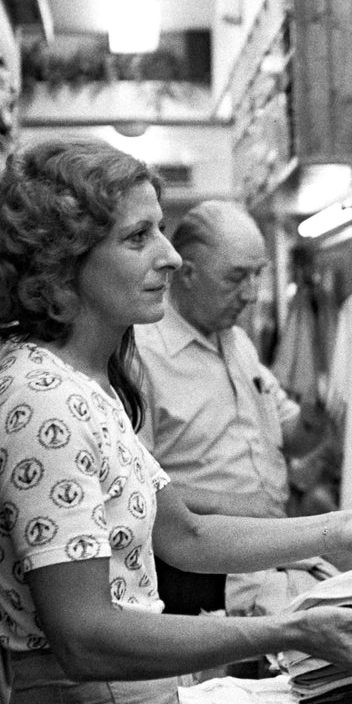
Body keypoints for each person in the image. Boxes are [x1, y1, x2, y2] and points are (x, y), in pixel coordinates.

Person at [0, 138, 352, 704]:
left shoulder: (87, 385)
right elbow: (85, 635)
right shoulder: (44, 406)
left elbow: (185, 534)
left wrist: (342, 529)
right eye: (139, 236)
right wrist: (288, 630)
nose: (169, 255)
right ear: (59, 265)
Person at [135, 200, 326, 617]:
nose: (253, 294)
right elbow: (132, 489)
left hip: (267, 549)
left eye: (258, 274)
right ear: (187, 274)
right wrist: (231, 503)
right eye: (236, 277)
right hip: (199, 572)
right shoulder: (142, 356)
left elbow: (292, 434)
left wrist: (322, 407)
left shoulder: (237, 342)